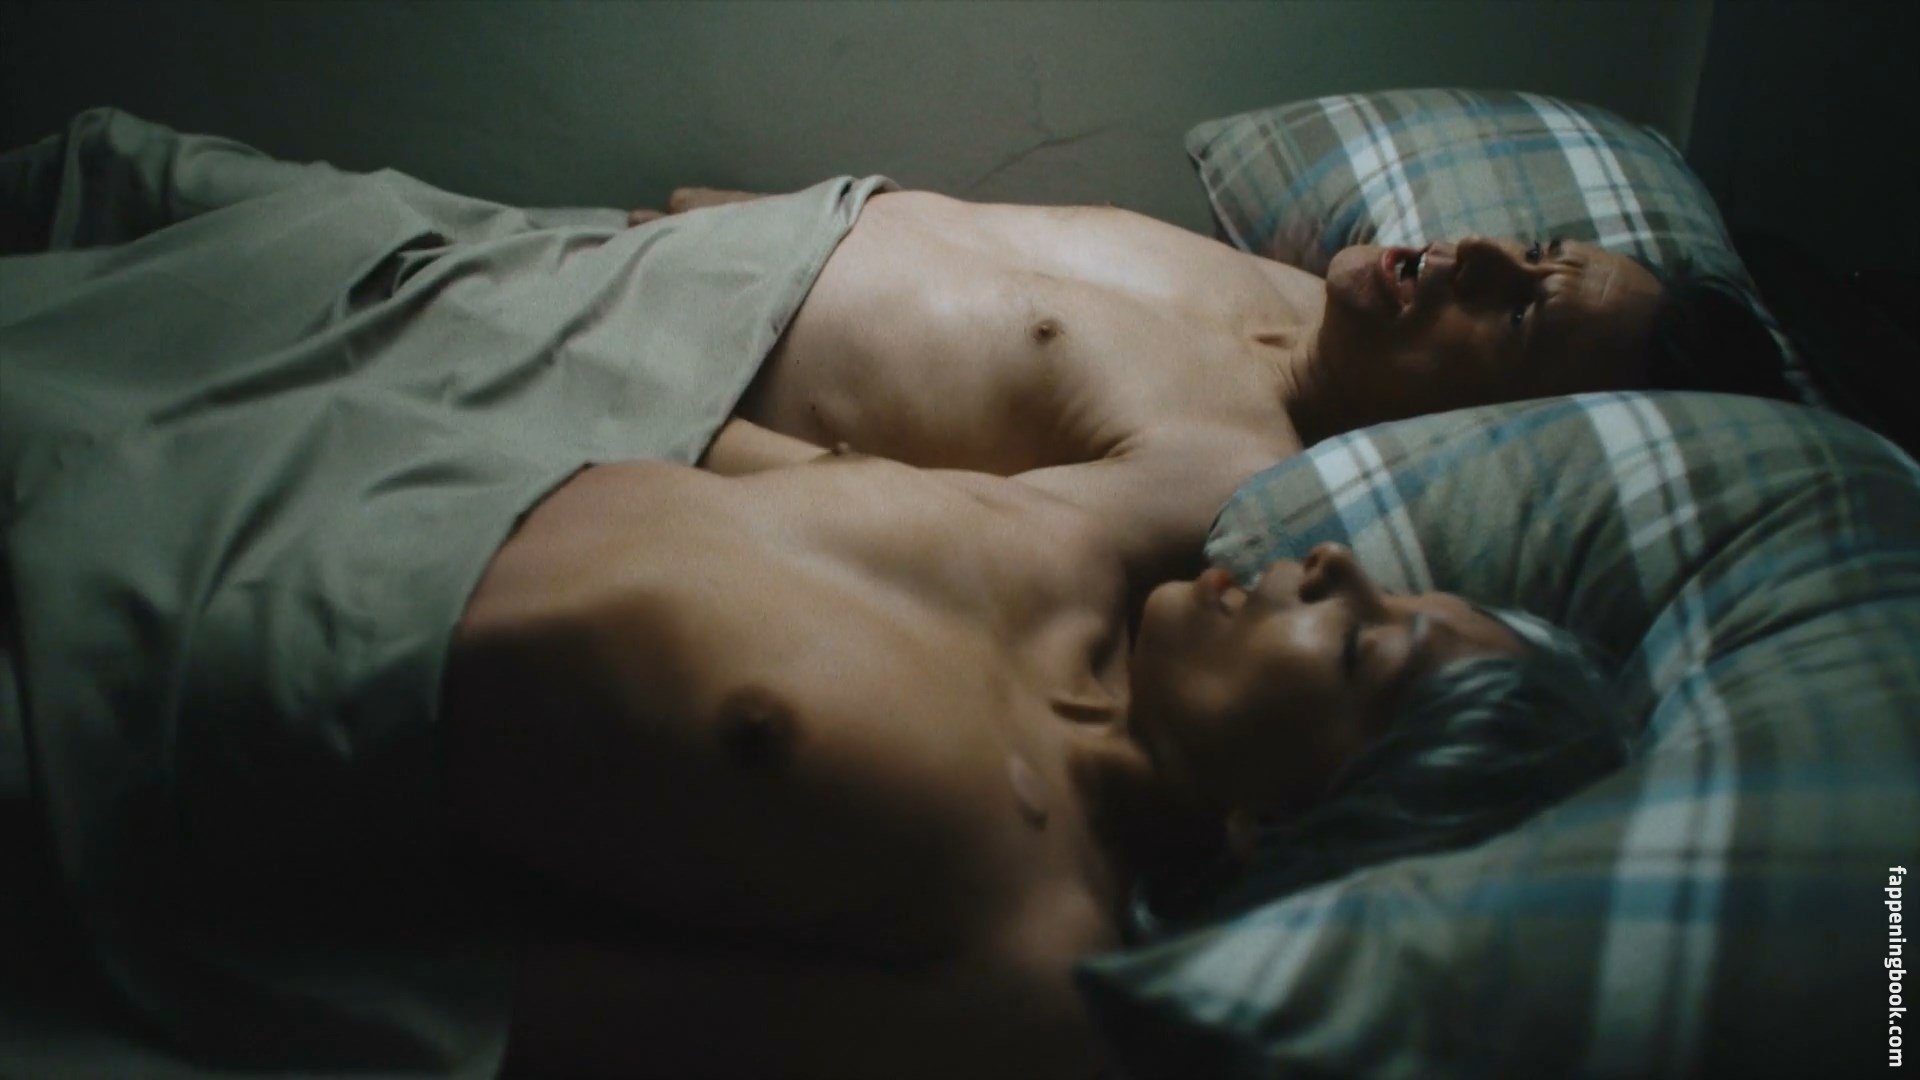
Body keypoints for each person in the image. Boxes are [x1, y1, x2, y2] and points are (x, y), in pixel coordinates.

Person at [446, 445, 1632, 1077]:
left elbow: (483, 1021)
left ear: (1284, 823)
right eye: (1399, 588)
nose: (1336, 566)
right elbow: (678, 440)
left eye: (1364, 646)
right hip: (426, 446)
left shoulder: (1026, 967)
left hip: (356, 688)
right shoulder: (1065, 550)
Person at [640, 184, 1669, 577]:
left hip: (655, 377)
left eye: (1520, 316)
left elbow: (907, 534)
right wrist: (740, 218)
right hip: (651, 253)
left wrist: (658, 411)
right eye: (1536, 247)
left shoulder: (1221, 476)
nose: (1482, 250)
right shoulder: (1295, 291)